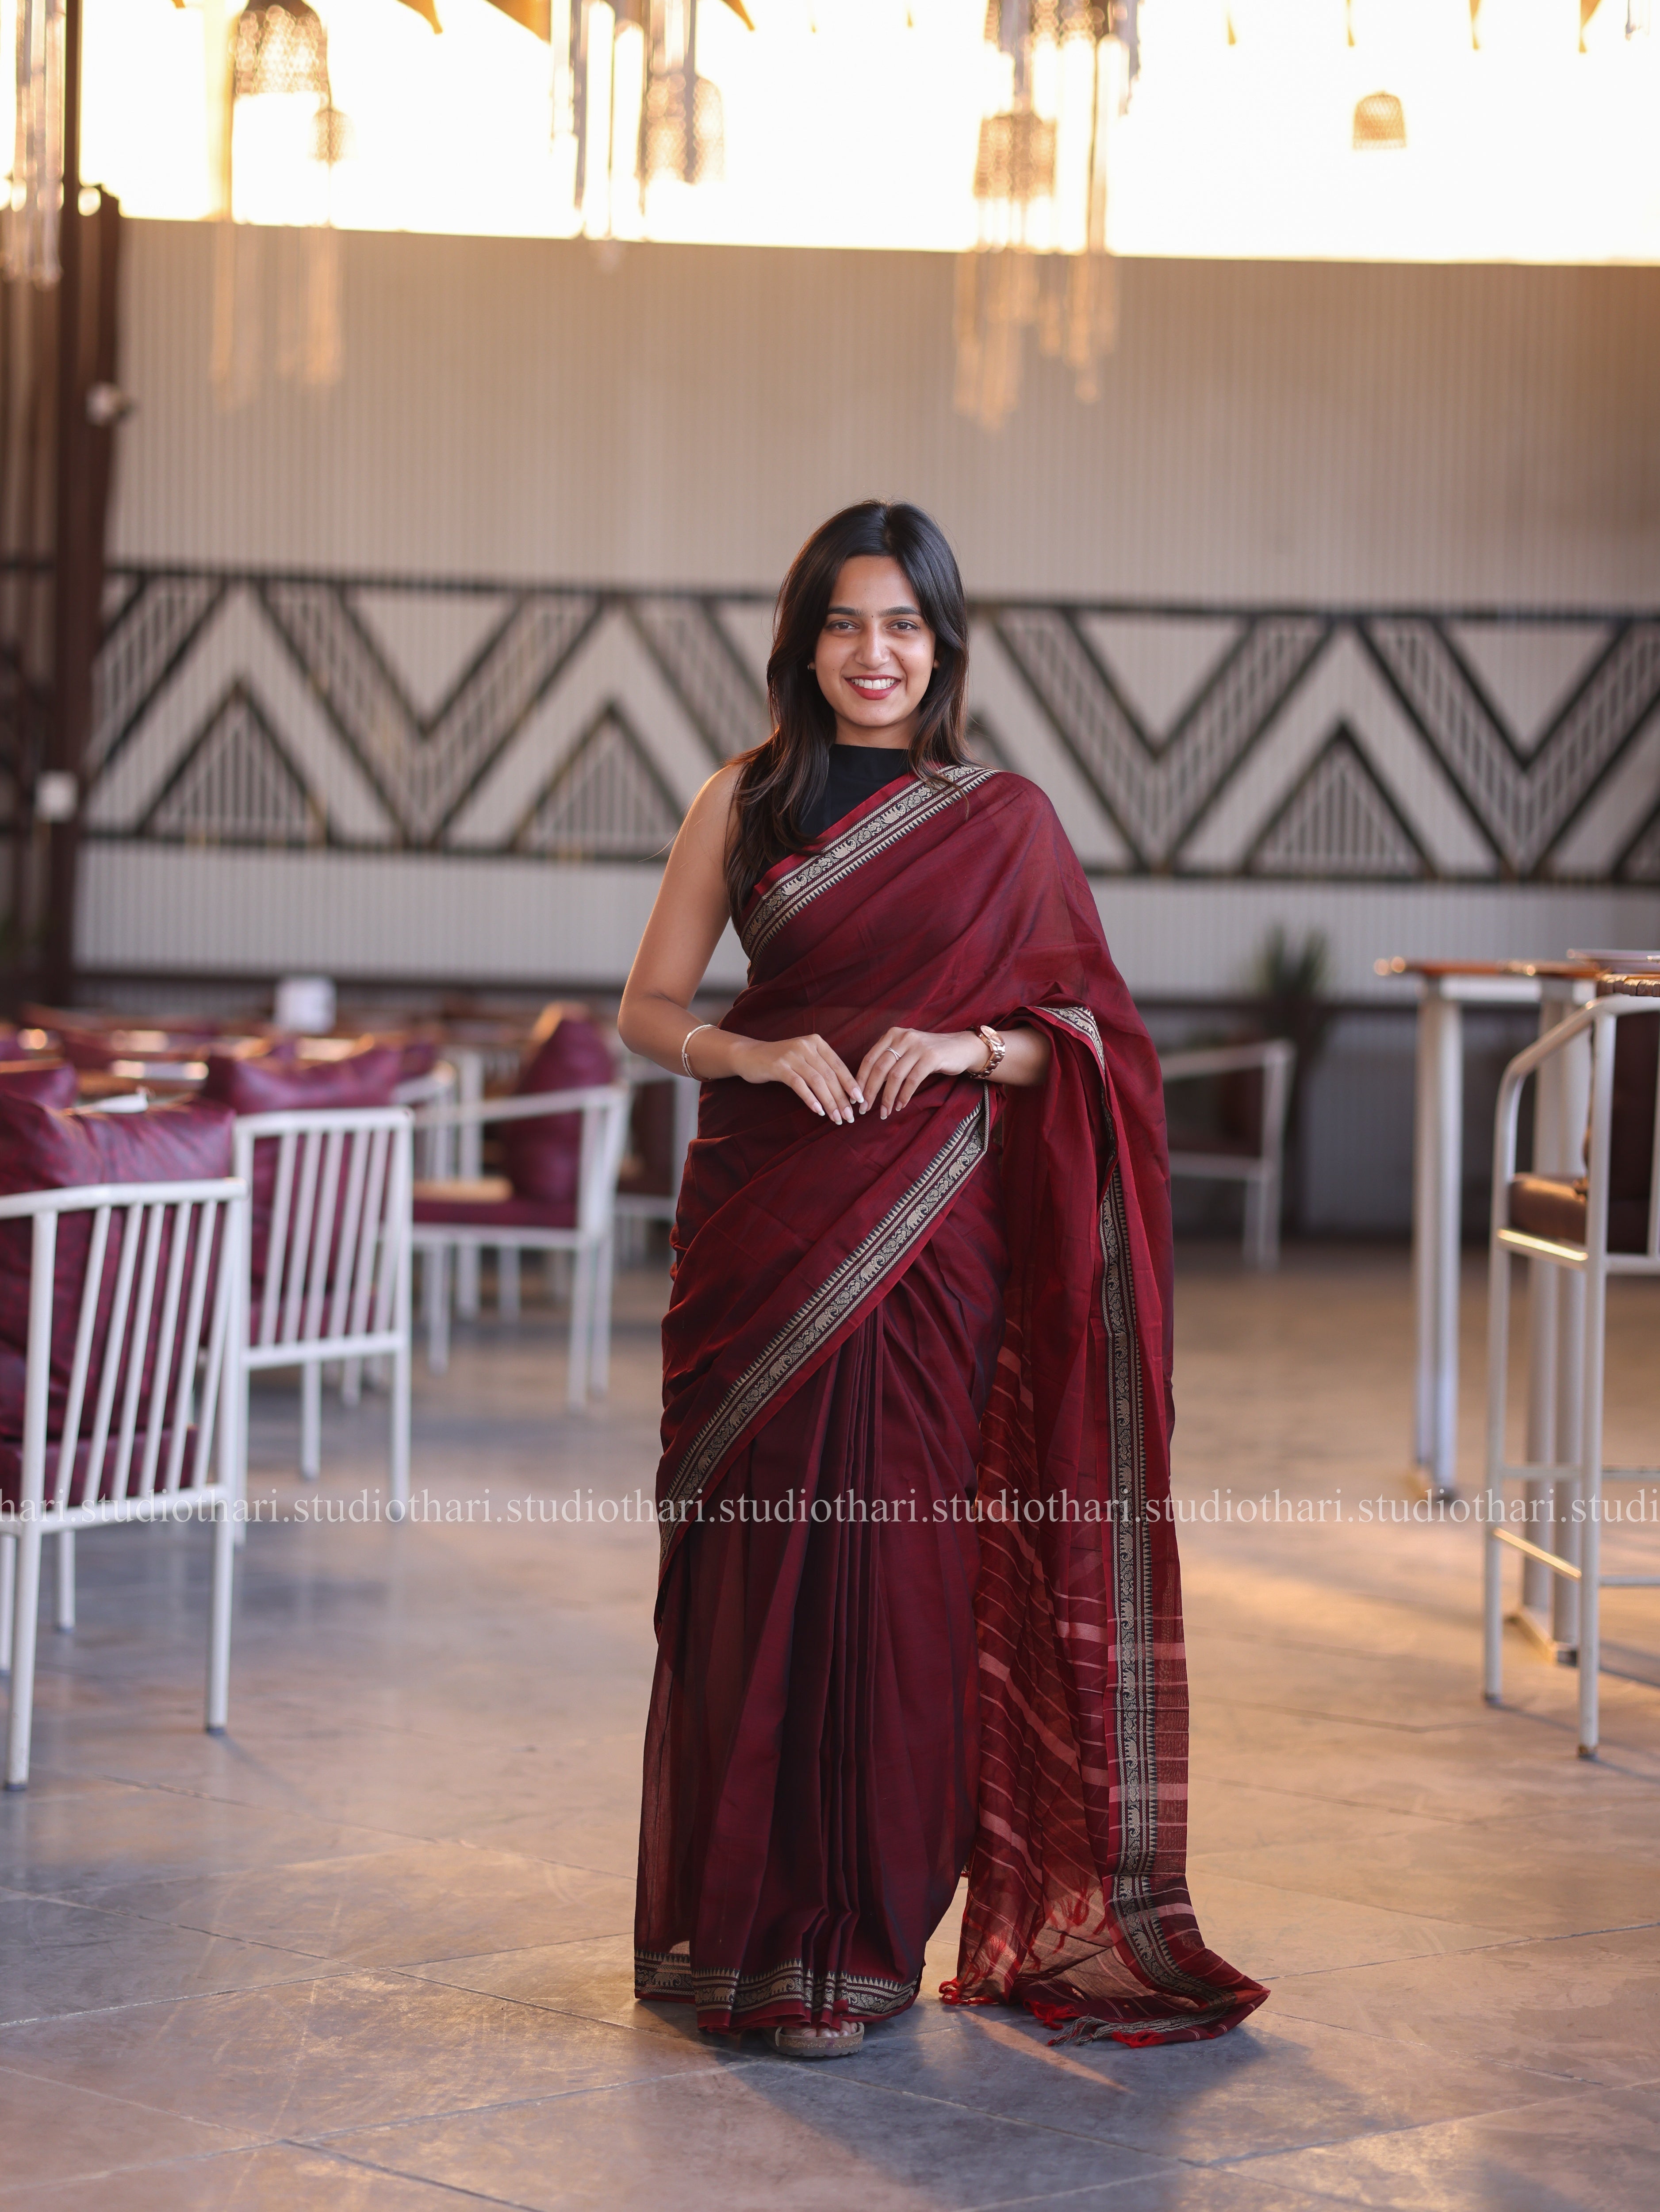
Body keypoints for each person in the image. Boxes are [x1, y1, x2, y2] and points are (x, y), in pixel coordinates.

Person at [618, 500, 1265, 2060]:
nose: (874, 653)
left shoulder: (1006, 821)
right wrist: (751, 1052)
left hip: (930, 1246)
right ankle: (744, 1936)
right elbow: (648, 1007)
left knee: (901, 1584)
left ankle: (850, 1949)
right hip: (762, 1230)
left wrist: (970, 1045)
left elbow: (1091, 1045)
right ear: (803, 645)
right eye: (845, 623)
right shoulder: (739, 800)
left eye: (902, 625)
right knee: (757, 1577)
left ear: (942, 647)